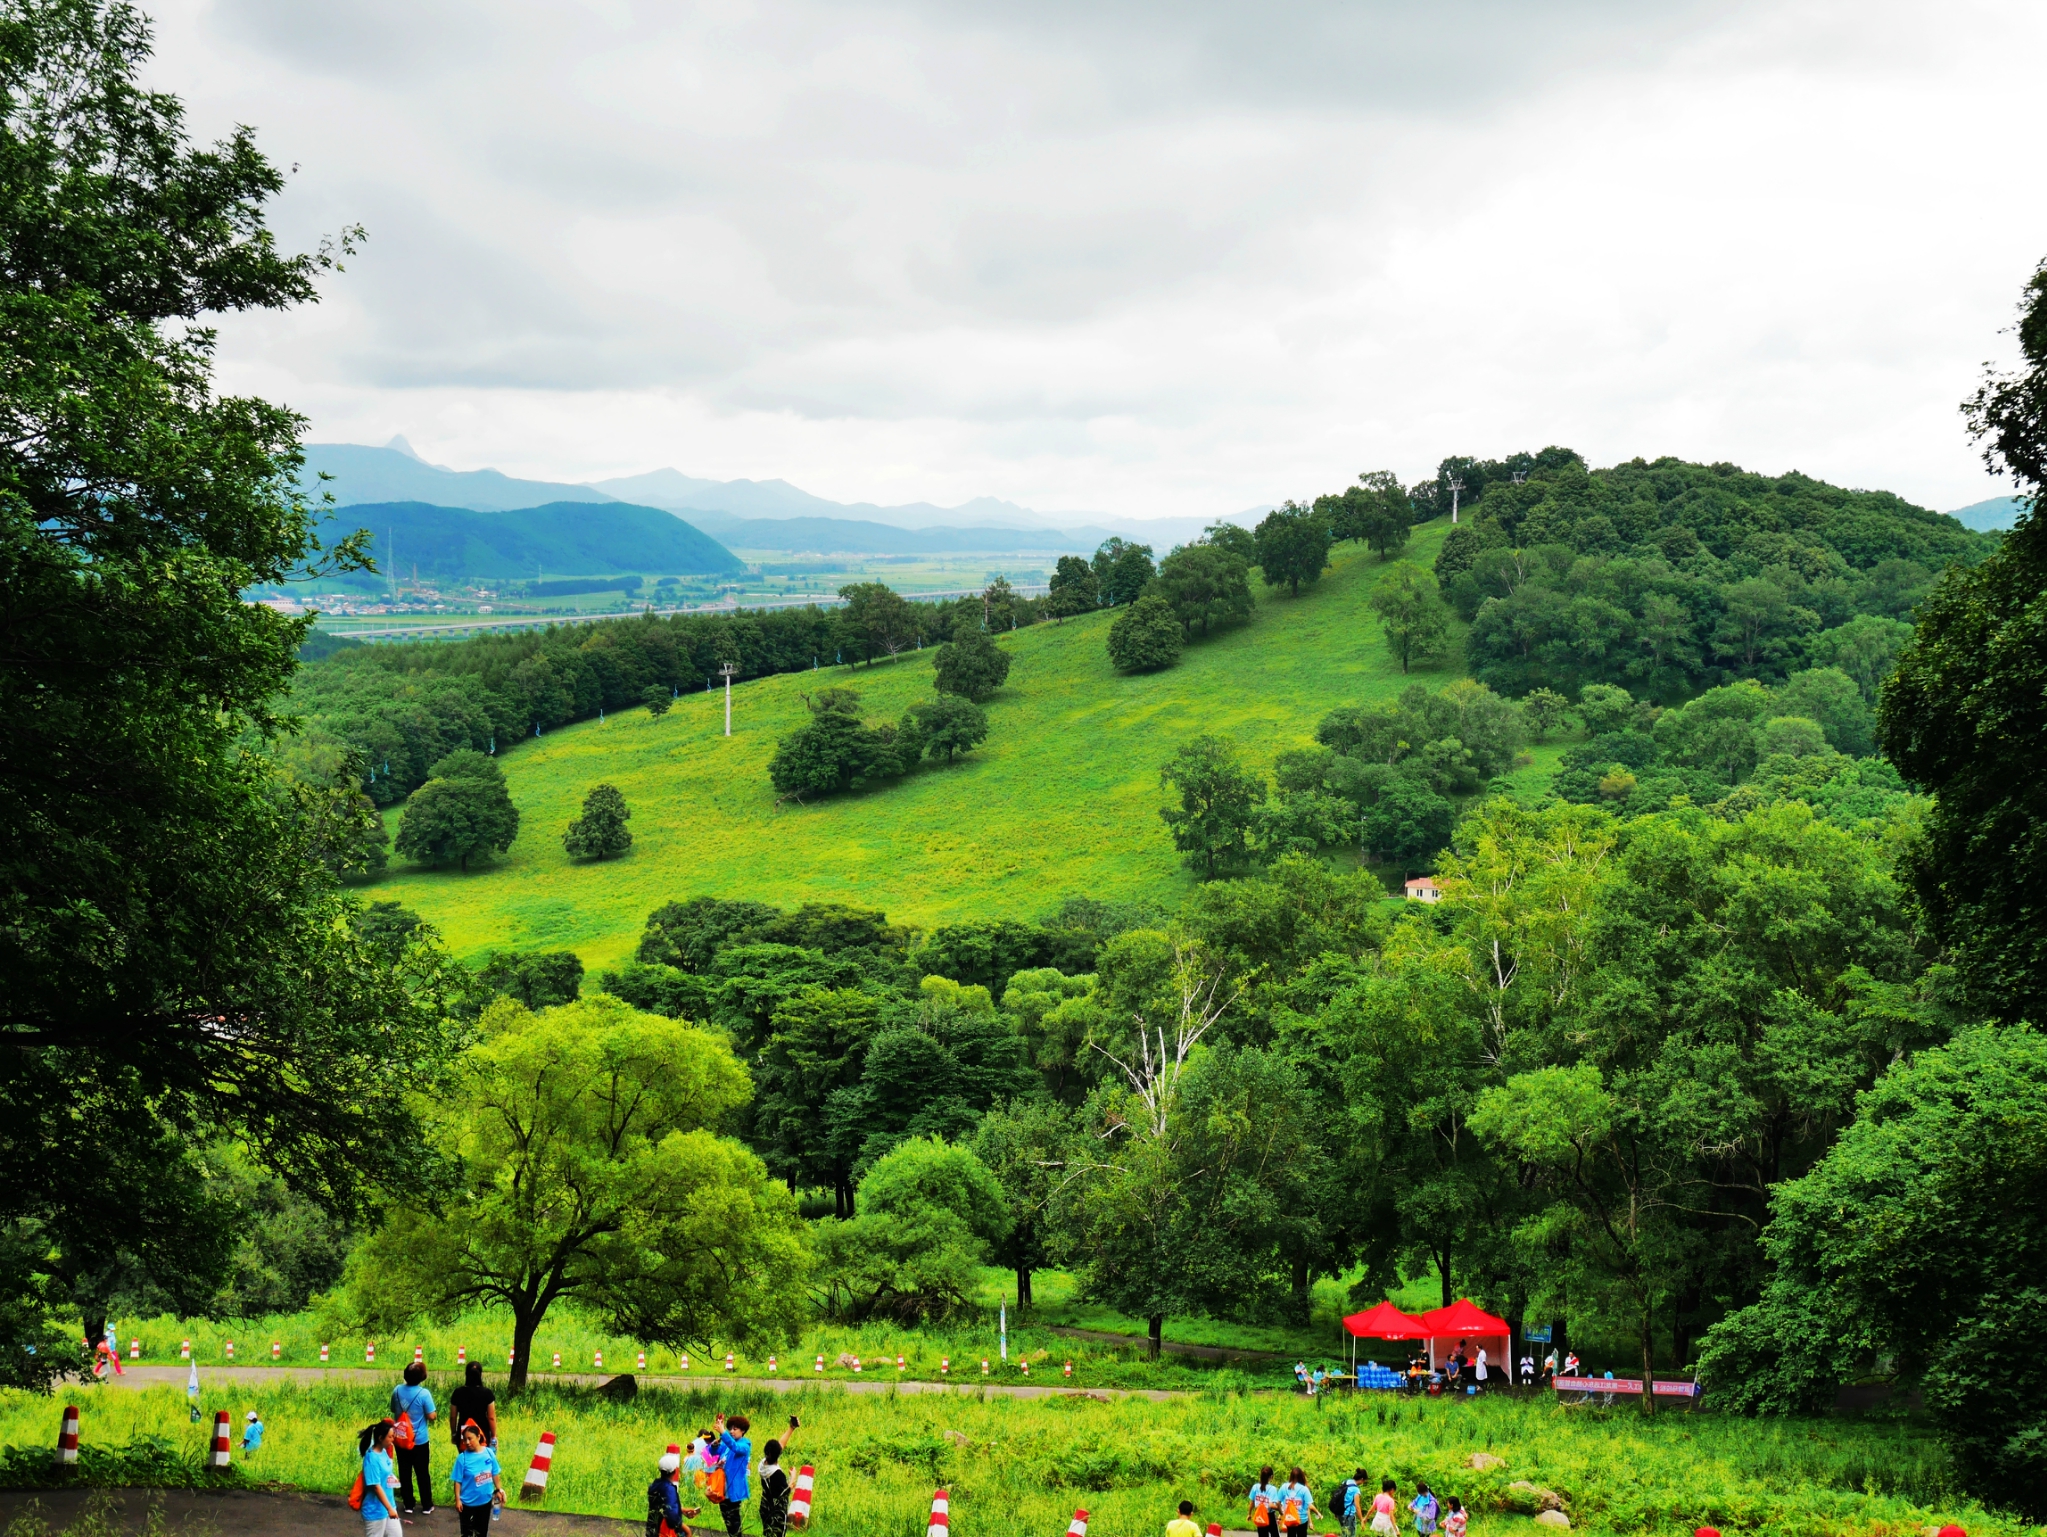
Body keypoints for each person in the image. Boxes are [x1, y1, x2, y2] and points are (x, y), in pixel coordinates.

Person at [391, 1361, 439, 1515]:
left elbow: (394, 1409)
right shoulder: (424, 1394)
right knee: (422, 1472)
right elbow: (432, 1416)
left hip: (400, 1438)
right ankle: (426, 1505)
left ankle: (408, 1504)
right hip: (419, 1440)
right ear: (422, 1377)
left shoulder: (397, 1390)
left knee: (404, 1471)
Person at [451, 1421, 505, 1537]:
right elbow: (457, 1481)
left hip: (485, 1502)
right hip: (467, 1504)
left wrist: (499, 1490)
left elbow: (495, 1473)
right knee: (467, 1533)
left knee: (482, 1532)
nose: (467, 1442)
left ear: (479, 1437)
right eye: (465, 1439)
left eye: (470, 1439)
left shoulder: (489, 1453)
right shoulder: (462, 1458)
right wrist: (458, 1500)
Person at [757, 1416, 800, 1537]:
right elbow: (787, 1491)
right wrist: (793, 1476)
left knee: (767, 1533)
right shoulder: (777, 1474)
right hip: (777, 1512)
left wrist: (791, 1428)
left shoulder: (762, 1465)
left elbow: (780, 1444)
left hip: (765, 1506)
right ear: (778, 1455)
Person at [713, 1412, 754, 1537]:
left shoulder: (745, 1445)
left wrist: (723, 1432)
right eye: (730, 1428)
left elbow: (735, 1447)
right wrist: (714, 1446)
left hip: (733, 1488)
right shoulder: (726, 1444)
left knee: (734, 1521)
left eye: (735, 1429)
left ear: (743, 1431)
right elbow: (712, 1453)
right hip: (722, 1487)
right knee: (726, 1519)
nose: (731, 1431)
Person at [359, 1420, 402, 1537]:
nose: (393, 1439)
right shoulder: (371, 1458)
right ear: (380, 1438)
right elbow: (376, 1487)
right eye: (390, 1437)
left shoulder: (383, 1452)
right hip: (376, 1510)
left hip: (389, 1506)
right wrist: (390, 1509)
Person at [449, 1362, 499, 1451]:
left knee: (465, 1460)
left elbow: (453, 1416)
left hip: (464, 1432)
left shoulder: (458, 1392)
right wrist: (494, 1436)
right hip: (482, 1431)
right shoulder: (487, 1393)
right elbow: (491, 1417)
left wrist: (454, 1433)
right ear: (480, 1374)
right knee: (482, 1459)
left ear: (466, 1374)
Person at [648, 1449, 686, 1537]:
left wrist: (682, 1510)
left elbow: (662, 1507)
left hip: (652, 1530)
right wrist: (684, 1528)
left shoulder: (655, 1485)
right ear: (675, 1471)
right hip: (666, 1533)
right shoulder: (669, 1489)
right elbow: (671, 1517)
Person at [1248, 1465, 1283, 1537]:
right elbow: (1271, 1505)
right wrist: (1280, 1510)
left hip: (1259, 1514)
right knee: (1275, 1535)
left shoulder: (1255, 1487)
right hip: (1270, 1516)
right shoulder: (1272, 1489)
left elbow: (1252, 1502)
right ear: (1271, 1477)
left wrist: (1249, 1514)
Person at [1280, 1467, 1314, 1537]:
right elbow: (1309, 1507)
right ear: (1302, 1476)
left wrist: (1281, 1514)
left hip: (1290, 1518)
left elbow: (1279, 1503)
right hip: (1302, 1520)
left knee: (1291, 1535)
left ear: (1291, 1476)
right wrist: (1317, 1515)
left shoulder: (1284, 1487)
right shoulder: (1304, 1489)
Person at [1338, 1470, 1365, 1537]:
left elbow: (1339, 1496)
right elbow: (1357, 1506)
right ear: (1362, 1479)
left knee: (1344, 1534)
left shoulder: (1345, 1482)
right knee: (1350, 1535)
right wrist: (1361, 1520)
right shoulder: (1355, 1489)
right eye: (1364, 1481)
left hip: (1340, 1513)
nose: (1363, 1483)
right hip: (1349, 1515)